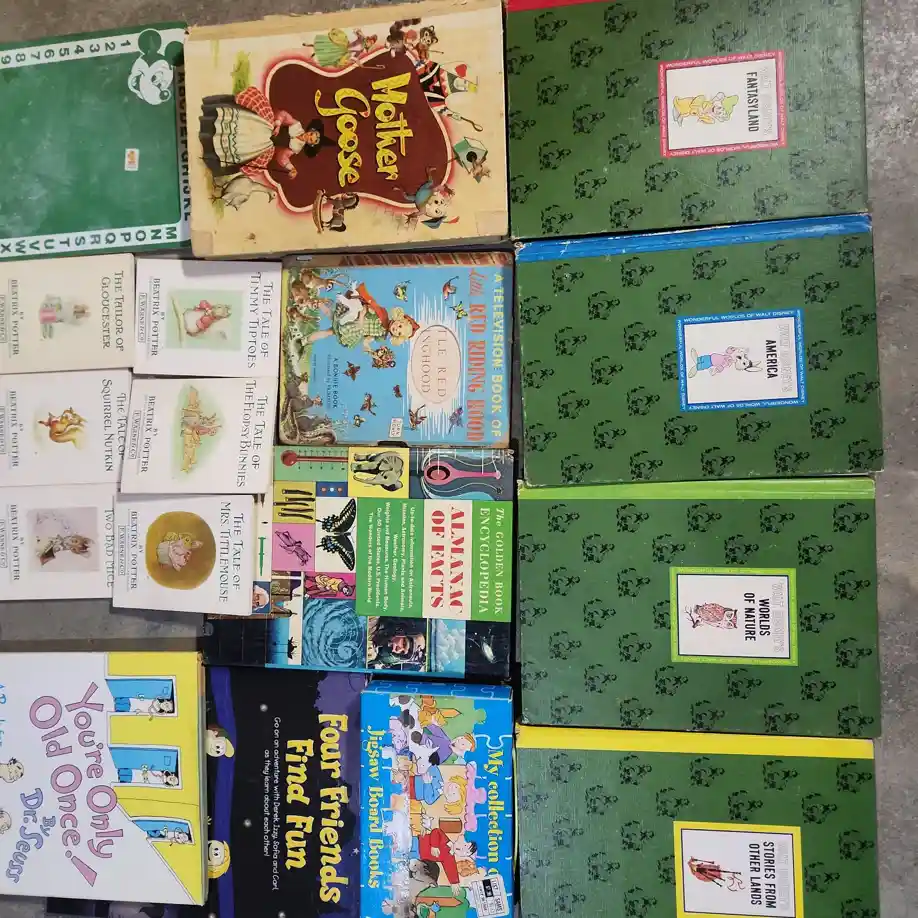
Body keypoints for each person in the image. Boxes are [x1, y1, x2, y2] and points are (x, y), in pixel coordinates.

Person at [199, 86, 335, 181]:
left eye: (312, 140)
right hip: (267, 126)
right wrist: (278, 124)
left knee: (244, 151)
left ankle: (210, 149)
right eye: (311, 135)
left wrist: (291, 168)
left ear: (311, 144)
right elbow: (283, 114)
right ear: (310, 131)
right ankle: (211, 116)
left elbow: (282, 157)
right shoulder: (297, 125)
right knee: (246, 118)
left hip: (265, 144)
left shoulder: (296, 148)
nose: (309, 137)